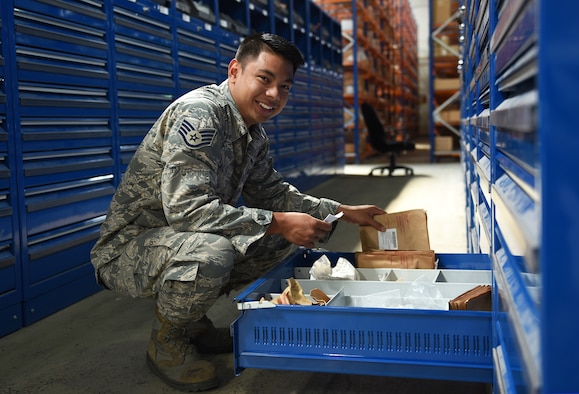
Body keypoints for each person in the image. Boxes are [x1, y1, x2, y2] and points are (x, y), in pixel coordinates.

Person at [90, 32, 386, 392]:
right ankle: (166, 340)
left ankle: (192, 319)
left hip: (175, 241)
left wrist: (340, 210)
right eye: (264, 79)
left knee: (291, 236)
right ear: (235, 71)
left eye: (285, 86)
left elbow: (272, 193)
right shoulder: (202, 115)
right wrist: (278, 222)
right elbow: (188, 211)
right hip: (130, 248)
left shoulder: (252, 133)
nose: (274, 94)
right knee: (217, 251)